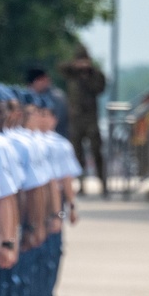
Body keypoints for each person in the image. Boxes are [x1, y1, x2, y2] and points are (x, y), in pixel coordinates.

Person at [58, 44, 106, 194]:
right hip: (76, 118)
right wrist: (75, 66)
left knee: (96, 150)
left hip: (91, 117)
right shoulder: (72, 73)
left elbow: (100, 88)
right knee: (77, 152)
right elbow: (61, 68)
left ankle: (103, 182)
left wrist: (89, 74)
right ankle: (80, 183)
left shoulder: (95, 75)